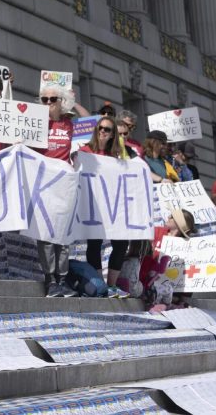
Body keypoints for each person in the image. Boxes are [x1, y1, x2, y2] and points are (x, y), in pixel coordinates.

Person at [79, 117, 130, 299]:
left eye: (107, 129)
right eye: (100, 128)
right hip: (93, 203)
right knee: (95, 243)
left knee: (121, 242)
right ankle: (100, 284)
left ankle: (112, 285)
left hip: (112, 205)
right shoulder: (85, 150)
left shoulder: (116, 156)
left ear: (112, 134)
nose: (102, 131)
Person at [34, 83, 77, 297]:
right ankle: (50, 280)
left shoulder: (69, 124)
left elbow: (93, 125)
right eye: (45, 99)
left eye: (53, 99)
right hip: (44, 183)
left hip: (65, 184)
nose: (49, 103)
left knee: (63, 235)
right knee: (46, 234)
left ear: (62, 102)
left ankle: (62, 279)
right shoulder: (35, 123)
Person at [141, 208, 197, 311]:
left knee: (191, 270)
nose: (168, 217)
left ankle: (180, 302)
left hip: (173, 285)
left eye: (172, 217)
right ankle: (168, 302)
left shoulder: (188, 245)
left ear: (179, 224)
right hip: (151, 279)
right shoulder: (156, 231)